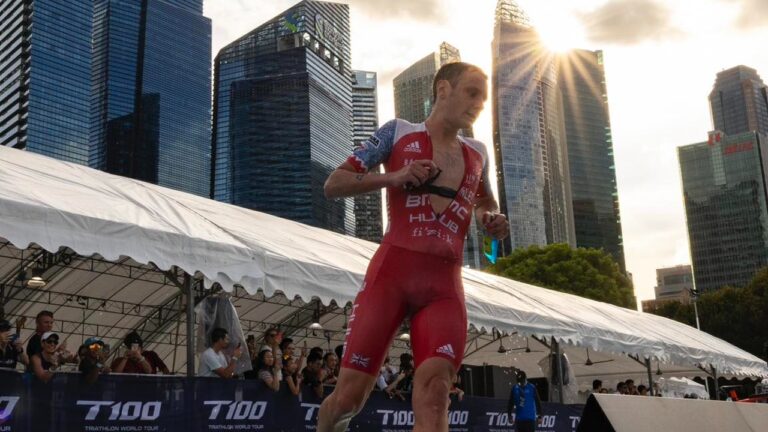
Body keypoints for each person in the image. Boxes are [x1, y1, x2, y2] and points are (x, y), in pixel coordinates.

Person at [318, 62, 508, 432]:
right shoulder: (398, 132)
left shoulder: (478, 152)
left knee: (437, 393)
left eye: (483, 98)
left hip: (444, 289)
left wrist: (491, 220)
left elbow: (486, 202)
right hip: (390, 278)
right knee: (346, 401)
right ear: (442, 89)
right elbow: (334, 183)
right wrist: (395, 176)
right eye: (472, 92)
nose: (479, 104)